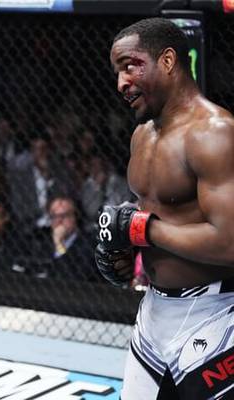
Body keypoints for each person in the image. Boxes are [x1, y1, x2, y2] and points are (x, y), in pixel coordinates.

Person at [97, 17, 234, 399]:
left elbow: (230, 242)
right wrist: (122, 247)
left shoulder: (215, 133)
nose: (121, 82)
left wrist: (143, 229)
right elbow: (158, 216)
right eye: (117, 71)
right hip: (154, 311)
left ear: (169, 61)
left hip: (217, 312)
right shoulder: (141, 135)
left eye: (131, 66)